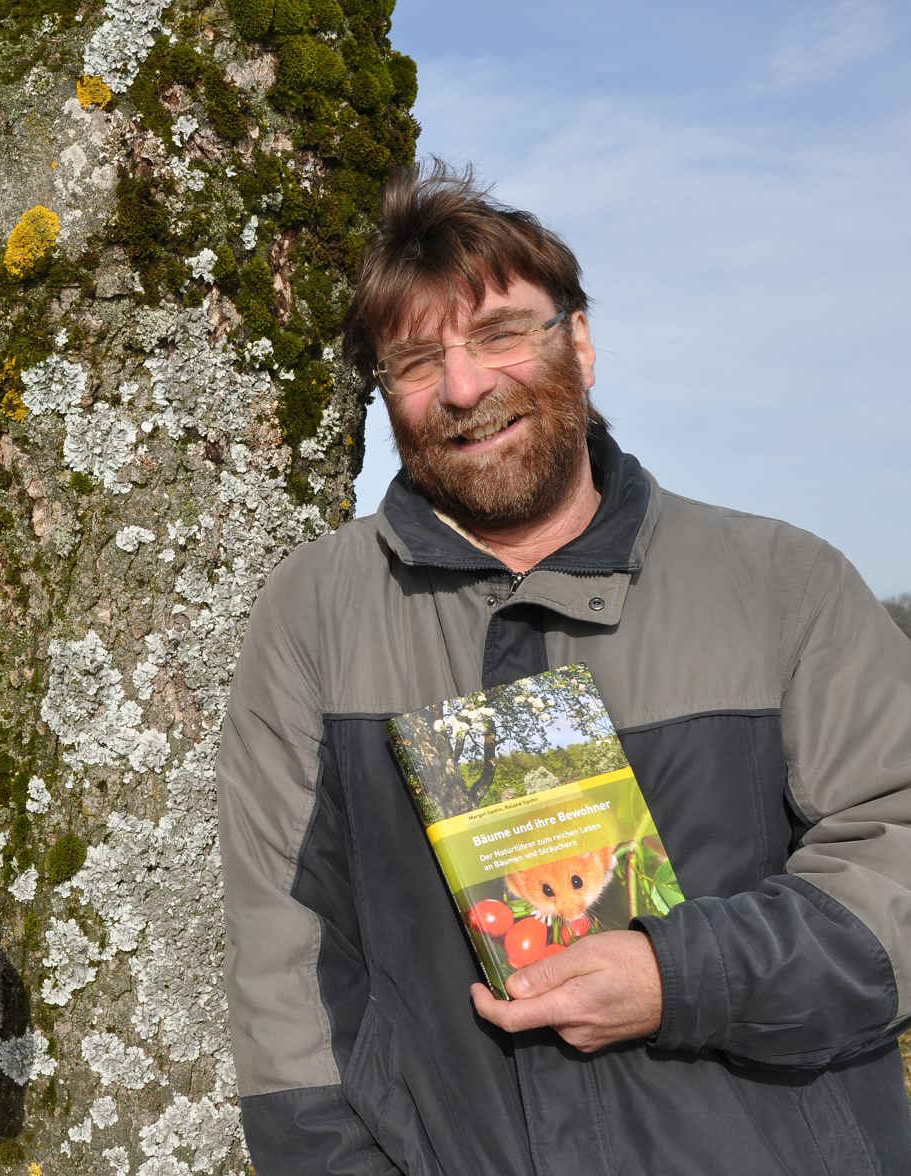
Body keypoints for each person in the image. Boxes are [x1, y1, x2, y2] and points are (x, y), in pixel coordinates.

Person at [216, 162, 911, 1174]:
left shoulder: (784, 583)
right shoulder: (312, 616)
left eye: (501, 333)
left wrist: (681, 974)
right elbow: (284, 970)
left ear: (579, 344)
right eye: (415, 360)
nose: (463, 386)